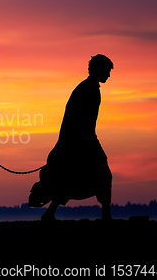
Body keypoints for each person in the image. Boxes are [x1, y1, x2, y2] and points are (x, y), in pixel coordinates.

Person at [28, 54, 114, 221]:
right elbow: (83, 123)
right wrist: (93, 146)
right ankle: (106, 216)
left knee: (69, 180)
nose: (109, 75)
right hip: (79, 143)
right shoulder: (89, 90)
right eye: (107, 71)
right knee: (103, 175)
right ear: (98, 69)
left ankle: (50, 214)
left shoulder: (87, 87)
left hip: (74, 143)